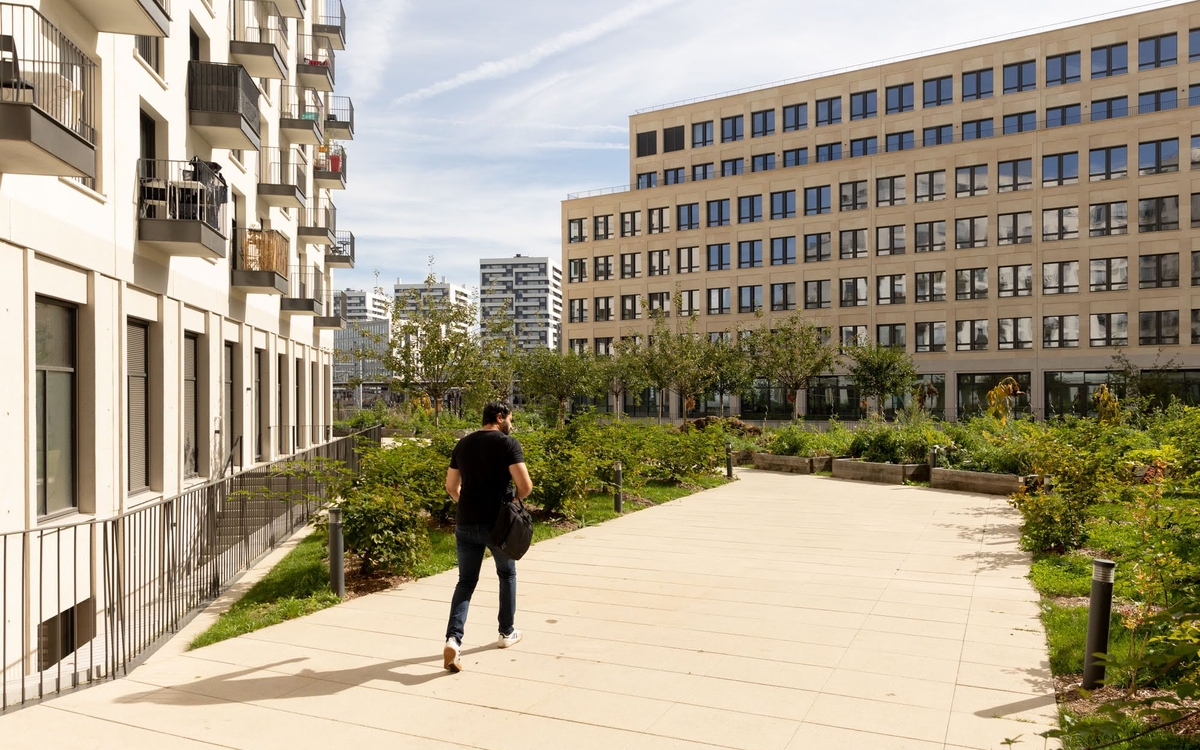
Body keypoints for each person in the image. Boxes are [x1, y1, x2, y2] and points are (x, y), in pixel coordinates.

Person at [442, 401, 533, 673]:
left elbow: (451, 486)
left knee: (466, 582)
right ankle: (506, 633)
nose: (511, 424)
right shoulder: (508, 444)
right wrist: (514, 500)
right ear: (499, 417)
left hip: (466, 522)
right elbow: (525, 486)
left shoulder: (463, 444)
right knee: (507, 574)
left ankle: (453, 640)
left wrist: (465, 504)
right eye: (510, 419)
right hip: (499, 525)